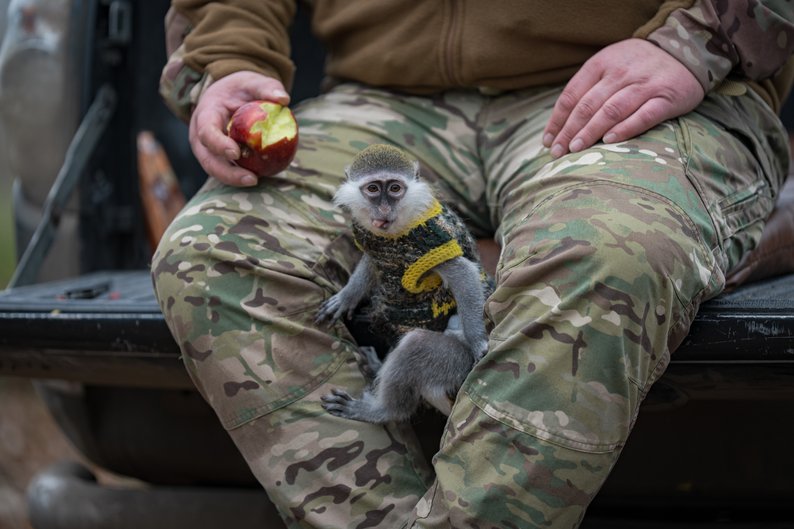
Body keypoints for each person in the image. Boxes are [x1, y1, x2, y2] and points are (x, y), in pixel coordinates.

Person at [152, 1, 794, 527]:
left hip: (631, 77)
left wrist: (699, 37)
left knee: (608, 254)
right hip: (381, 99)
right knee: (213, 257)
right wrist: (228, 59)